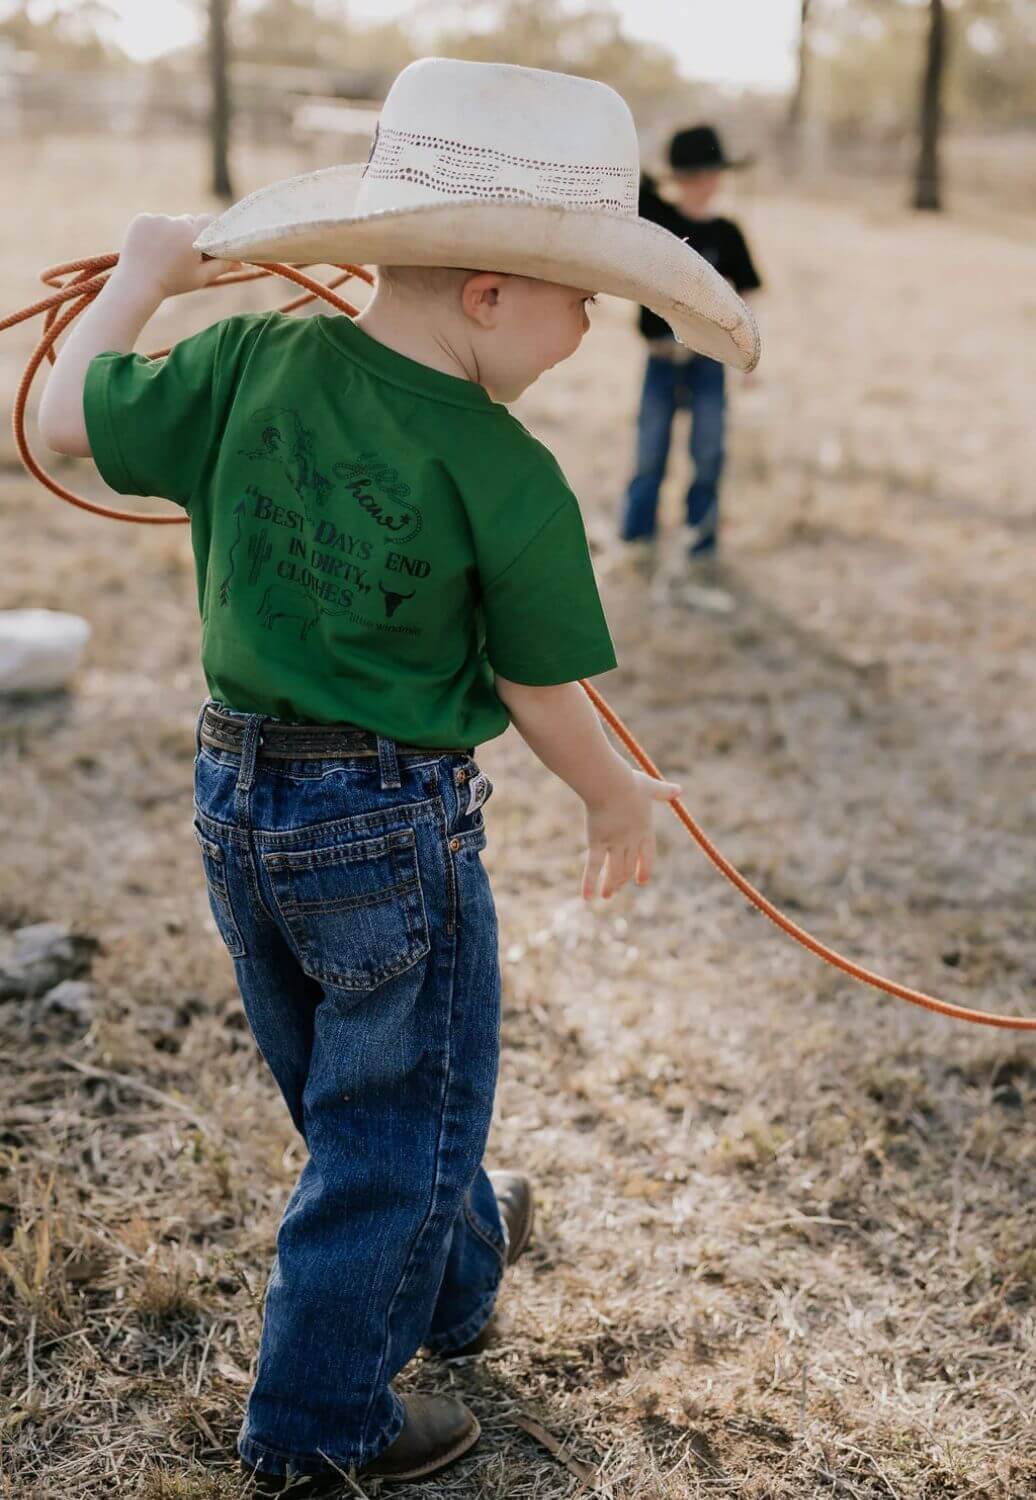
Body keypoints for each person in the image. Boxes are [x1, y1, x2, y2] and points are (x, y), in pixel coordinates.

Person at [38, 58, 757, 1493]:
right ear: (492, 291)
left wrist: (145, 278)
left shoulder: (246, 361)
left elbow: (60, 419)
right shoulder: (507, 472)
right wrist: (618, 797)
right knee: (395, 1113)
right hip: (387, 828)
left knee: (358, 1084)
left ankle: (455, 1260)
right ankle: (320, 1425)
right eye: (583, 303)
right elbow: (538, 687)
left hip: (238, 803)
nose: (590, 333)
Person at [619, 124, 763, 603]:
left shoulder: (727, 233)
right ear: (677, 177)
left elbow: (747, 297)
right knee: (649, 450)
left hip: (709, 364)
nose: (702, 183)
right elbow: (629, 182)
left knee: (707, 452)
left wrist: (747, 353)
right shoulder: (656, 221)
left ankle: (700, 541)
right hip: (661, 359)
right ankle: (636, 536)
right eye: (691, 174)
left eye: (709, 173)